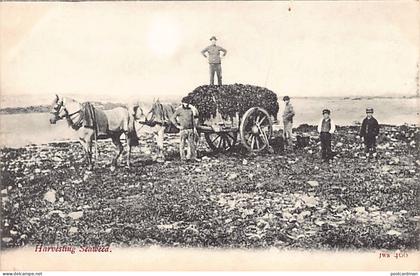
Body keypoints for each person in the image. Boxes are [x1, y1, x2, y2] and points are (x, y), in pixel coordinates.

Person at [170, 97, 199, 161]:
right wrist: (177, 126)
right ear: (182, 103)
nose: (187, 104)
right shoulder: (179, 110)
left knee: (192, 144)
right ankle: (183, 158)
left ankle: (192, 157)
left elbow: (193, 120)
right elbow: (172, 118)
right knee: (182, 144)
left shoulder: (190, 110)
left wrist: (194, 128)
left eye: (188, 103)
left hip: (190, 129)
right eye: (185, 103)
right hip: (183, 130)